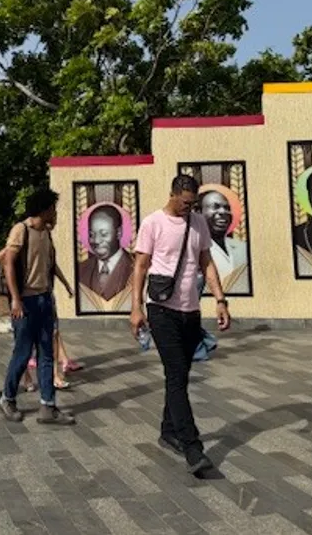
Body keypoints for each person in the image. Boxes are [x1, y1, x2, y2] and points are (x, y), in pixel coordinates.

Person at [130, 174, 231, 475]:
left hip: (191, 312)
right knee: (176, 374)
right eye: (186, 202)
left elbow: (206, 263)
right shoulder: (153, 223)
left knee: (180, 375)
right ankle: (193, 448)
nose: (189, 207)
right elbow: (140, 266)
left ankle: (168, 429)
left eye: (194, 203)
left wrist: (220, 300)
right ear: (173, 194)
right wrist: (135, 308)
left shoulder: (197, 223)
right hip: (162, 311)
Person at [0, 188, 76, 425]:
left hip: (44, 300)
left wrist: (61, 288)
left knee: (46, 354)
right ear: (44, 209)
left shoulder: (46, 233)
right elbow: (8, 264)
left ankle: (48, 406)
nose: (55, 213)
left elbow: (50, 265)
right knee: (22, 353)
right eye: (53, 208)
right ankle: (8, 398)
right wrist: (15, 298)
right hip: (25, 301)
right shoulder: (21, 230)